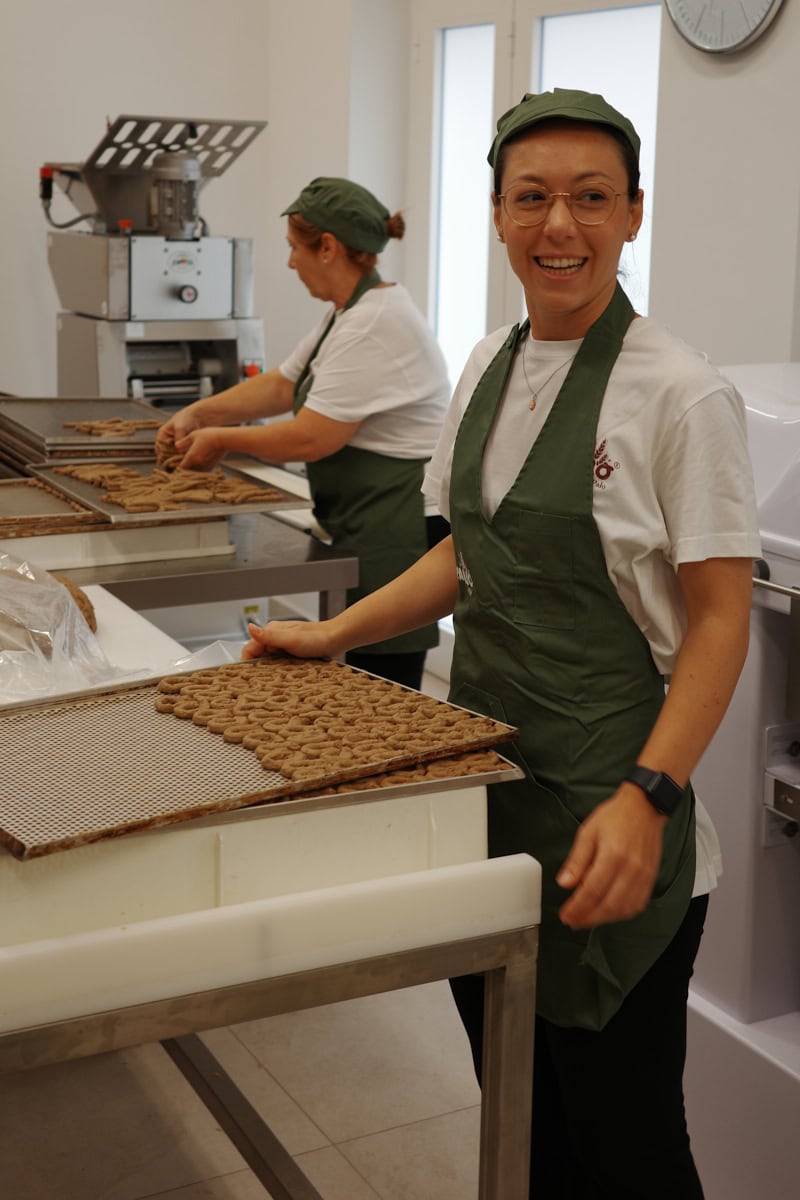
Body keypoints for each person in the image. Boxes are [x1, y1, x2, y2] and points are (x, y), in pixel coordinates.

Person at [241, 90, 761, 1198]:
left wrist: (648, 795)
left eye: (587, 197)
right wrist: (331, 635)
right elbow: (460, 557)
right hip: (490, 799)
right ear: (495, 214)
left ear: (631, 215)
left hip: (614, 814)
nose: (557, 225)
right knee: (521, 1117)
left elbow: (719, 621)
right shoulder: (487, 364)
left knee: (623, 1146)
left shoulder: (678, 394)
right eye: (531, 198)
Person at [156, 176, 451, 690]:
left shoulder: (375, 323)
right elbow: (281, 384)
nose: (291, 263)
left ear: (329, 248)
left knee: (384, 688)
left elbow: (313, 438)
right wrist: (201, 413)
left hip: (400, 529)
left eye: (295, 249)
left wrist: (224, 441)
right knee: (359, 669)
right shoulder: (348, 312)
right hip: (368, 518)